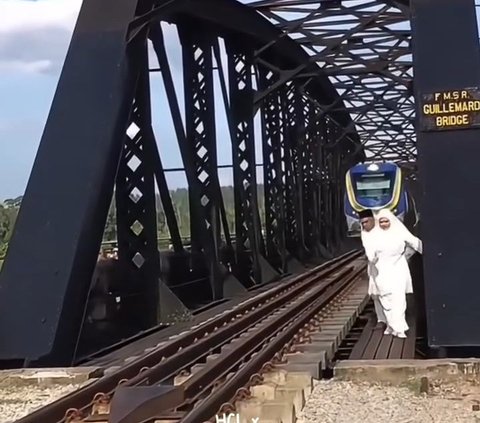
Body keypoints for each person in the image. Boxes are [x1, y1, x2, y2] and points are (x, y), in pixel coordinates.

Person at [368, 208, 423, 338]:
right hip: (381, 270)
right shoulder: (374, 236)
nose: (384, 224)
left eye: (386, 221)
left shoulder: (400, 231)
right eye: (381, 222)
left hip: (398, 268)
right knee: (385, 299)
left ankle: (400, 328)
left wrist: (428, 252)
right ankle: (390, 325)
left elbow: (415, 242)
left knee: (398, 298)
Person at [358, 209, 386, 329]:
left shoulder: (382, 232)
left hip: (385, 266)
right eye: (362, 223)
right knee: (375, 294)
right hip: (373, 268)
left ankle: (391, 320)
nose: (364, 225)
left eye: (366, 222)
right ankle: (381, 320)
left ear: (373, 220)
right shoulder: (364, 233)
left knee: (387, 293)